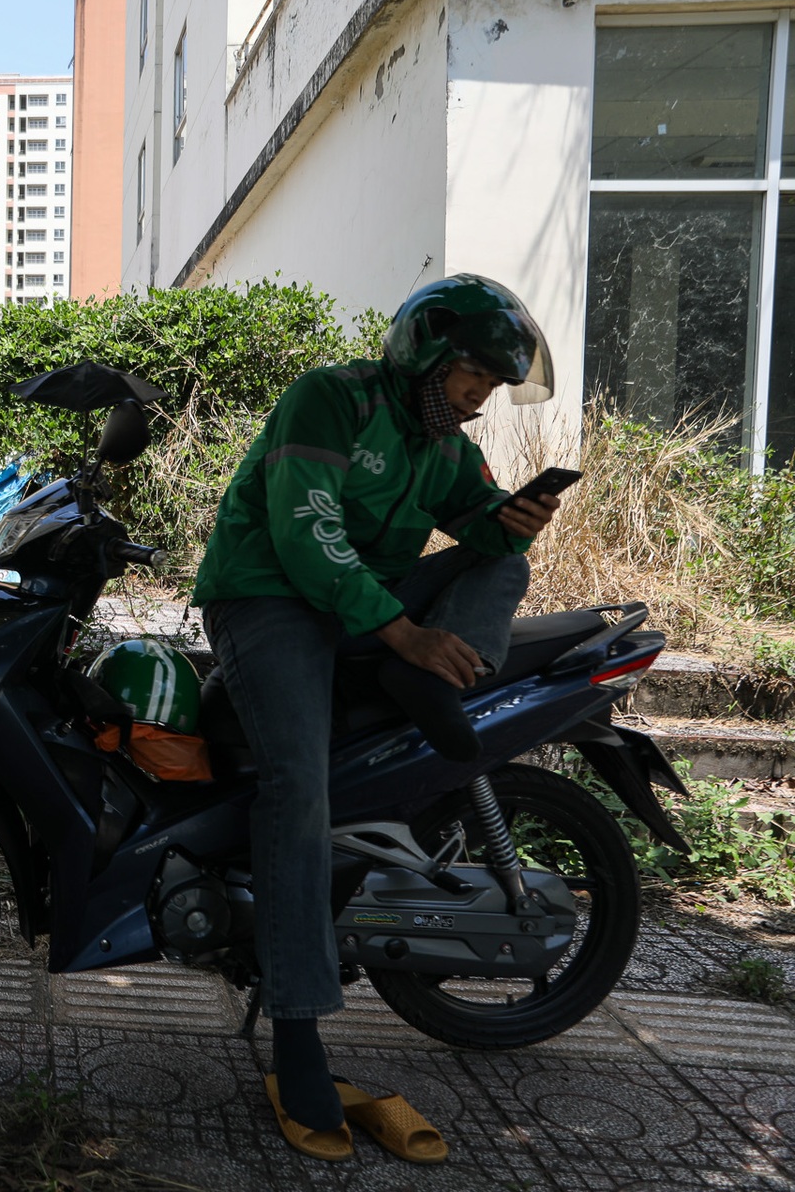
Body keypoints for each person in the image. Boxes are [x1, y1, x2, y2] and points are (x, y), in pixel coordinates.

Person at [190, 274, 562, 1156]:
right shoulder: (332, 400)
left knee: (500, 571)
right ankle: (298, 1030)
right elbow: (306, 532)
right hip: (269, 599)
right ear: (427, 354)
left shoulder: (444, 444)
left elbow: (479, 535)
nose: (483, 398)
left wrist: (516, 520)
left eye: (494, 385)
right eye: (475, 375)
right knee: (296, 787)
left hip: (368, 612)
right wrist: (403, 635)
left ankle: (427, 685)